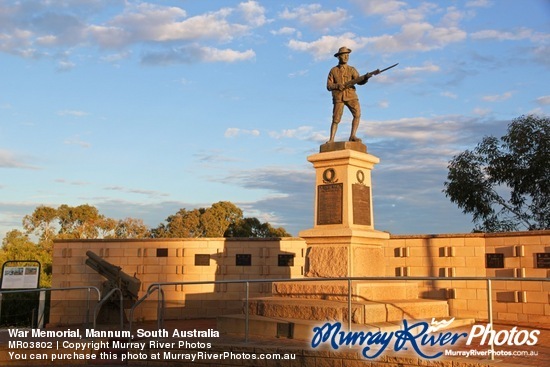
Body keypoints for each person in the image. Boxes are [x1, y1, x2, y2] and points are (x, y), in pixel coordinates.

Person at [326, 46, 373, 143]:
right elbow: (329, 86)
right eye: (344, 55)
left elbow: (359, 81)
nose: (346, 57)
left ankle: (352, 136)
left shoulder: (352, 70)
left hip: (351, 95)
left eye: (347, 55)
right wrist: (337, 86)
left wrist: (366, 78)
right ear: (339, 57)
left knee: (357, 114)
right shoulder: (333, 70)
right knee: (336, 119)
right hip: (338, 97)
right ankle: (331, 139)